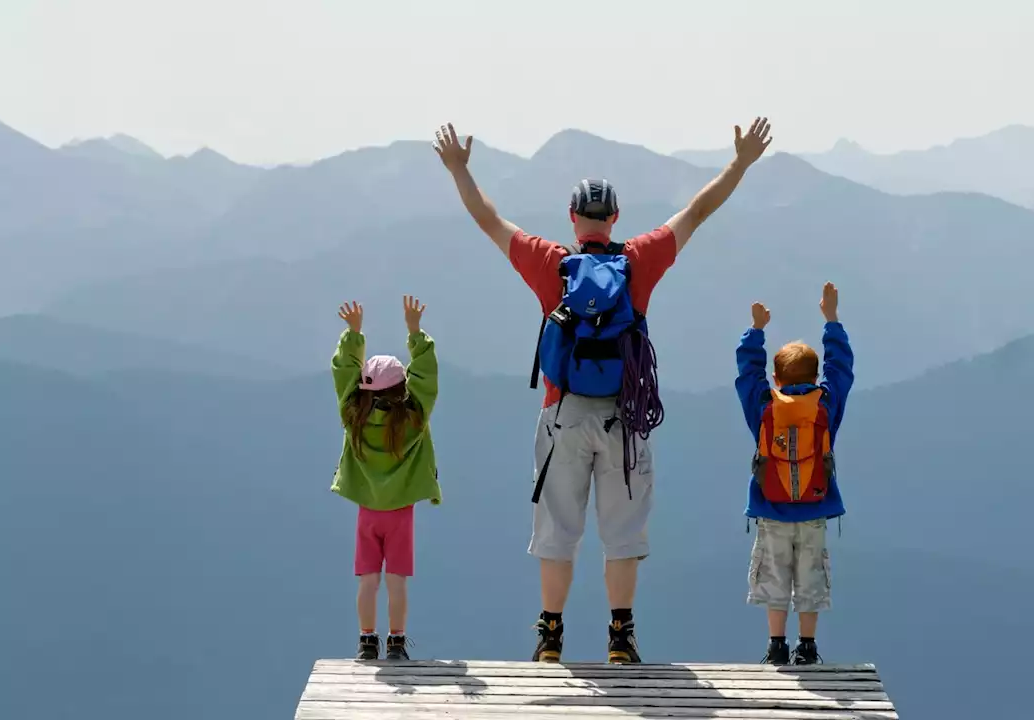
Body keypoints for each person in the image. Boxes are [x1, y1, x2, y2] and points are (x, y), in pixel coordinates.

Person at [433, 118, 774, 663]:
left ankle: (550, 635)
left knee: (557, 530)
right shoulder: (638, 261)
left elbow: (489, 220)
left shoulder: (550, 264)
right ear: (614, 217)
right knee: (622, 531)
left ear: (573, 219)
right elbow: (698, 212)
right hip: (624, 416)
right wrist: (740, 162)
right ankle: (620, 637)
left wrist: (458, 168)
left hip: (561, 411)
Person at [734, 283, 854, 665]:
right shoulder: (827, 403)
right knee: (809, 577)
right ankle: (807, 646)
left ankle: (775, 646)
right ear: (817, 377)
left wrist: (755, 331)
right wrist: (832, 321)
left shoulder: (764, 406)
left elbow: (745, 375)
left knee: (774, 577)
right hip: (815, 508)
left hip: (771, 509)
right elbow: (843, 369)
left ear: (775, 378)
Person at [330, 296, 440, 661]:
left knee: (368, 580)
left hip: (368, 512)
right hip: (401, 513)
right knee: (396, 580)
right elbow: (427, 376)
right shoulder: (414, 418)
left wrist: (354, 335)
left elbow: (343, 373)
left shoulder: (353, 416)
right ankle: (395, 642)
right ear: (401, 389)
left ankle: (366, 642)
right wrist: (415, 332)